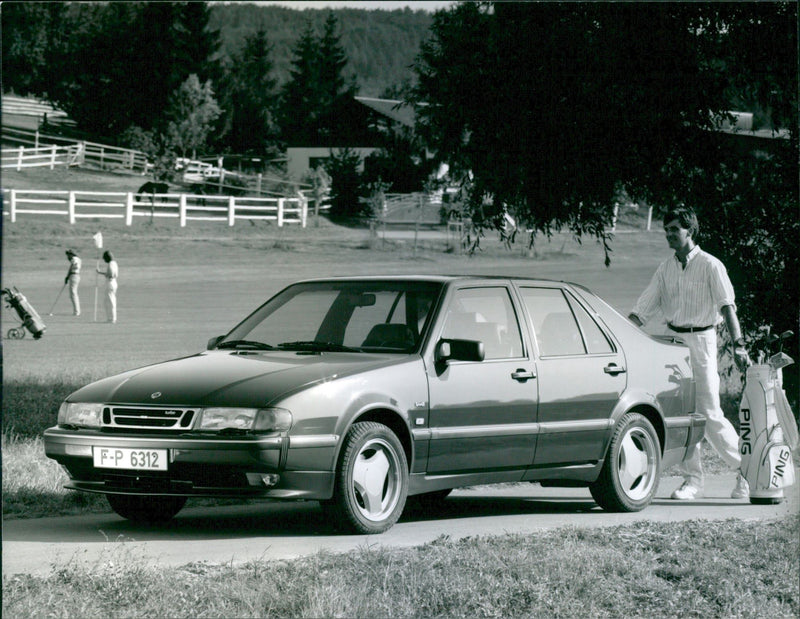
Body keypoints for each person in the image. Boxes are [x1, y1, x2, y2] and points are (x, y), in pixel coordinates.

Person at [628, 206, 751, 500]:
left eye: (675, 229)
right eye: (666, 229)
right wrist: (619, 336)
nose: (669, 235)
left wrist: (739, 344)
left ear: (690, 231)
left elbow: (727, 307)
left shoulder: (711, 265)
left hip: (703, 342)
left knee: (709, 414)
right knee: (682, 416)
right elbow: (642, 310)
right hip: (672, 345)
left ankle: (747, 472)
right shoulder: (665, 269)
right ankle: (692, 481)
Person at [97, 250, 118, 324]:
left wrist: (107, 275)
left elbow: (111, 273)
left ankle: (111, 319)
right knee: (109, 301)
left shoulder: (111, 264)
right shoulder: (114, 263)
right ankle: (111, 318)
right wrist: (100, 272)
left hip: (110, 282)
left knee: (110, 301)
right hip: (113, 282)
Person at [64, 249, 81, 316]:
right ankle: (77, 311)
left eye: (68, 255)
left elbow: (71, 268)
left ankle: (77, 311)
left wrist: (67, 277)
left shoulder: (74, 259)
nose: (67, 257)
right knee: (73, 294)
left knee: (73, 294)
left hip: (74, 275)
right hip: (76, 276)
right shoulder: (78, 259)